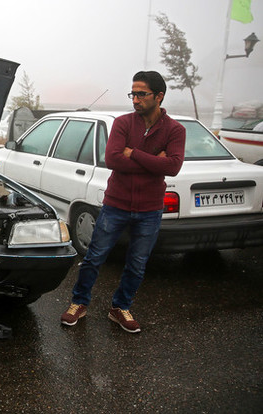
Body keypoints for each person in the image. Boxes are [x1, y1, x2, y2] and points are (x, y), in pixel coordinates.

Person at [60, 71, 186, 333]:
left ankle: (120, 307)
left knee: (137, 263)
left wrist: (135, 154)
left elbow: (173, 166)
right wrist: (154, 160)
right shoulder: (123, 124)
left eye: (142, 94)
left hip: (150, 209)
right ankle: (78, 303)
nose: (135, 99)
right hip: (115, 204)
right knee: (94, 257)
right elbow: (114, 160)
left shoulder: (175, 130)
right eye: (133, 93)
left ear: (159, 96)